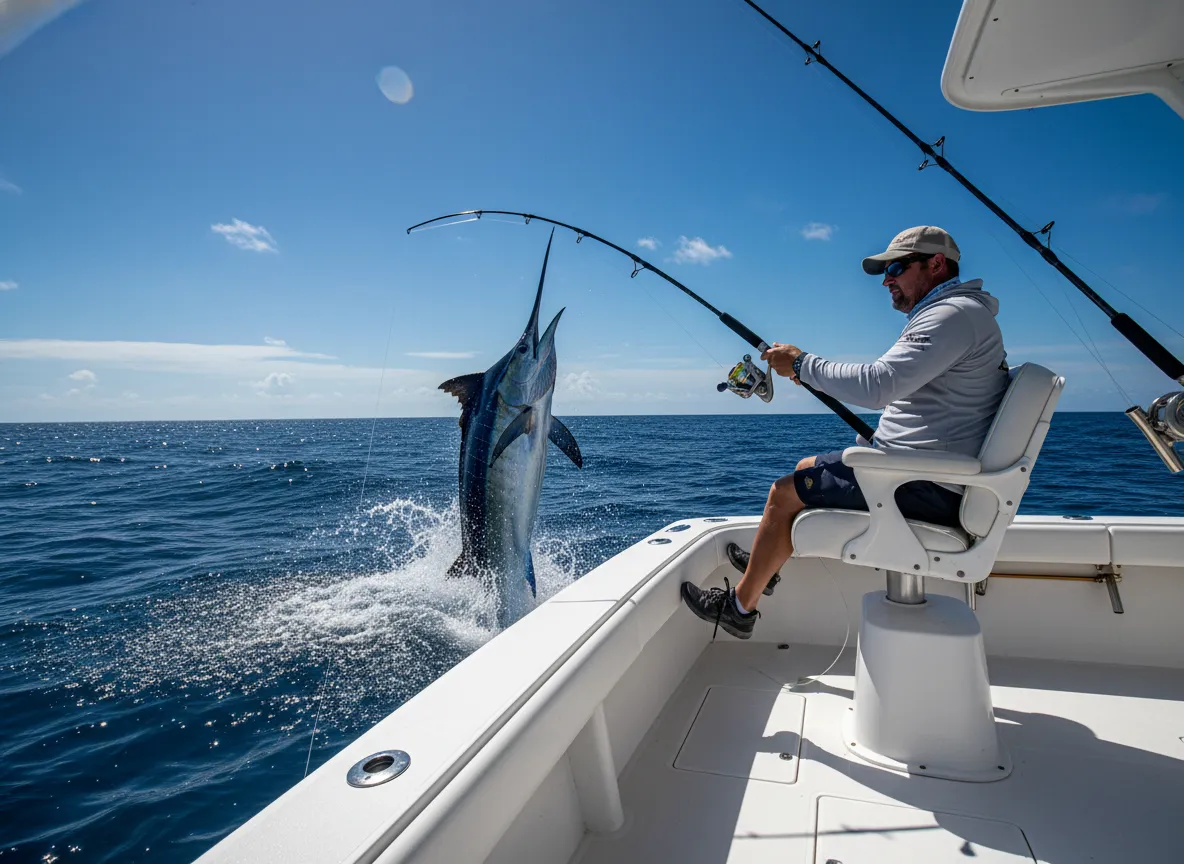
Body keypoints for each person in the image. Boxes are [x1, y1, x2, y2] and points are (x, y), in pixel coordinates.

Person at [681, 226, 1009, 639]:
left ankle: (739, 609)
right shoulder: (960, 316)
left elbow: (878, 385)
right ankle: (766, 566)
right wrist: (810, 375)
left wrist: (802, 364)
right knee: (805, 467)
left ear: (936, 264)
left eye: (895, 268)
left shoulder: (951, 316)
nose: (887, 280)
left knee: (783, 494)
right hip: (926, 473)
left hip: (920, 485)